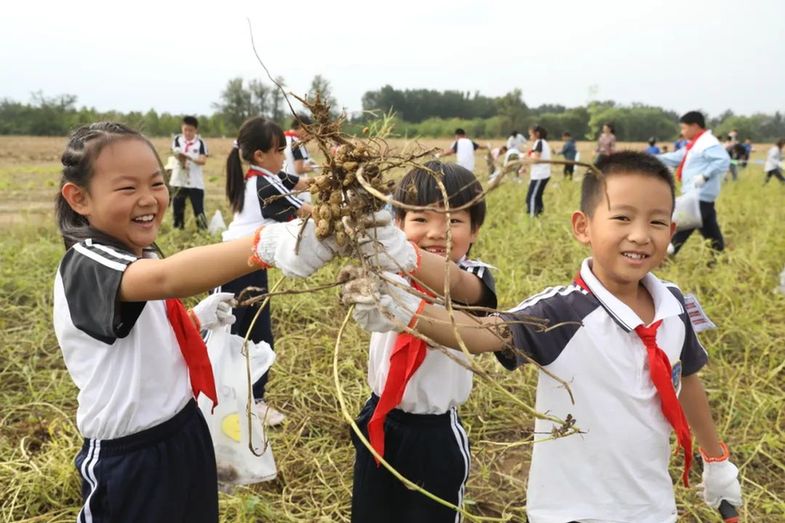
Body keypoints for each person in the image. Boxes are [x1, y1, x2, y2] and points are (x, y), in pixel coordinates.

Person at [343, 151, 743, 523]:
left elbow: (685, 378)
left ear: (672, 230)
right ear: (582, 227)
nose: (640, 235)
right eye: (622, 218)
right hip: (569, 509)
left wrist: (716, 459)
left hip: (651, 505)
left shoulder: (672, 306)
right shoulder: (561, 311)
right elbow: (487, 332)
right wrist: (399, 303)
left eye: (655, 222)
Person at [53, 122, 341, 522]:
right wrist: (267, 245)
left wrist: (193, 319)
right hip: (131, 453)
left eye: (156, 184)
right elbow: (164, 279)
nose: (149, 199)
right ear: (79, 198)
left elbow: (141, 337)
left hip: (184, 429)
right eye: (127, 188)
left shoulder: (143, 253)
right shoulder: (85, 260)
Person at [348, 161, 496, 523]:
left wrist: (407, 263)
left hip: (436, 434)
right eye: (420, 220)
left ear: (475, 230)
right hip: (379, 417)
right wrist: (362, 291)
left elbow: (469, 294)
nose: (437, 233)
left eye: (455, 221)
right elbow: (369, 312)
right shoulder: (387, 273)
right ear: (396, 225)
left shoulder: (473, 277)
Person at [218, 116, 313, 426]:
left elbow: (301, 183)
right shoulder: (260, 184)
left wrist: (335, 178)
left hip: (254, 265)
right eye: (279, 150)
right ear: (260, 155)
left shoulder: (267, 176)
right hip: (230, 270)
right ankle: (214, 402)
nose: (283, 155)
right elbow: (303, 212)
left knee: (259, 337)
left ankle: (255, 401)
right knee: (224, 338)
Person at [658, 111, 730, 255]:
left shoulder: (708, 142)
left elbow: (723, 160)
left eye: (684, 128)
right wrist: (651, 158)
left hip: (699, 195)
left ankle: (664, 257)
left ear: (695, 126)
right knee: (712, 235)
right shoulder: (694, 144)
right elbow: (676, 157)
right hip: (699, 197)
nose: (682, 132)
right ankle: (717, 258)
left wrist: (705, 175)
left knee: (682, 229)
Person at [170, 116, 209, 230]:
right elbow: (176, 154)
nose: (187, 132)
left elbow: (202, 160)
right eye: (185, 129)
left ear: (195, 130)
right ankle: (178, 230)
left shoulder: (200, 143)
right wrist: (182, 160)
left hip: (195, 182)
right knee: (178, 209)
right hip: (179, 181)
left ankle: (202, 231)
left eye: (190, 130)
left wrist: (190, 158)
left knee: (198, 209)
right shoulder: (177, 140)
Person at [525, 125, 552, 217]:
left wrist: (529, 154)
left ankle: (532, 218)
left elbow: (536, 158)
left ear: (537, 134)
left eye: (531, 135)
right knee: (537, 197)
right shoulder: (543, 143)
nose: (530, 137)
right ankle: (539, 216)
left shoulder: (539, 142)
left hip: (540, 175)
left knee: (531, 197)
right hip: (541, 174)